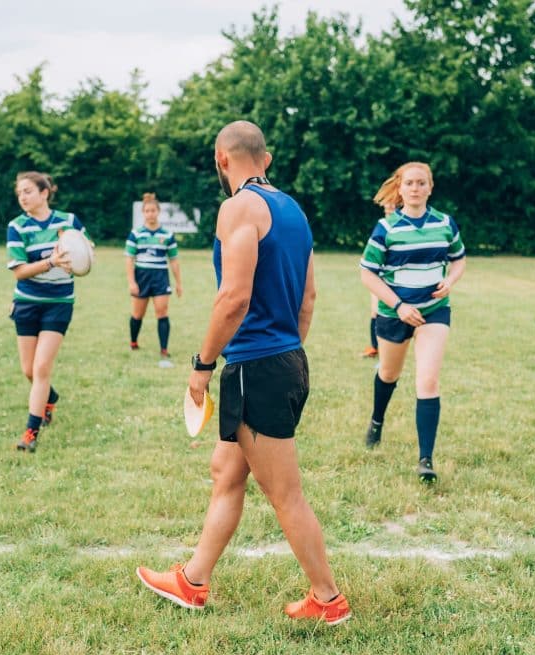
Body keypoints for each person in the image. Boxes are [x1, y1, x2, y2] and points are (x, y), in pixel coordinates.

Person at [136, 121, 350, 625]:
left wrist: (201, 367)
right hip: (285, 360)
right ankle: (193, 581)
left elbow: (233, 298)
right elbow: (308, 298)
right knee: (226, 472)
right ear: (267, 159)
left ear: (222, 159)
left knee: (285, 494)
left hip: (256, 367)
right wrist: (286, 353)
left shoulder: (237, 208)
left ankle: (327, 599)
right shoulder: (293, 211)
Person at [359, 162, 466, 483]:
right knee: (389, 373)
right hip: (395, 314)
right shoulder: (387, 228)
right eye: (410, 183)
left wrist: (451, 281)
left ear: (430, 187)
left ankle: (425, 459)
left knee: (428, 381)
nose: (416, 188)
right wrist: (399, 305)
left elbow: (459, 258)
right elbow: (367, 273)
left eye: (422, 183)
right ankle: (377, 420)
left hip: (434, 311)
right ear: (401, 188)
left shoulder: (445, 223)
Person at [6, 172, 87, 452]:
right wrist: (52, 261)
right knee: (29, 370)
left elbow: (88, 253)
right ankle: (49, 397)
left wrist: (78, 259)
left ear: (44, 193)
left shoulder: (68, 222)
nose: (23, 197)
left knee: (41, 368)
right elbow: (19, 271)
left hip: (59, 303)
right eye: (19, 193)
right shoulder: (17, 227)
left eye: (28, 191)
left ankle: (31, 432)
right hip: (27, 302)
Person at [125, 192, 182, 366]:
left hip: (160, 278)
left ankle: (164, 349)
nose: (150, 213)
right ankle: (133, 342)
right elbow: (129, 259)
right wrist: (132, 282)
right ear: (143, 213)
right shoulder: (136, 234)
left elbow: (173, 260)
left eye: (153, 210)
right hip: (141, 277)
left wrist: (179, 282)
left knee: (162, 312)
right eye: (147, 211)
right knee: (137, 314)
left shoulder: (167, 235)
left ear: (158, 212)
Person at [361, 200, 399, 359]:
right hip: (377, 276)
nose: (388, 207)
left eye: (392, 205)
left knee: (389, 312)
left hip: (394, 278)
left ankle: (390, 348)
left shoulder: (400, 226)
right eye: (386, 205)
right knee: (375, 310)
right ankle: (375, 347)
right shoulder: (382, 225)